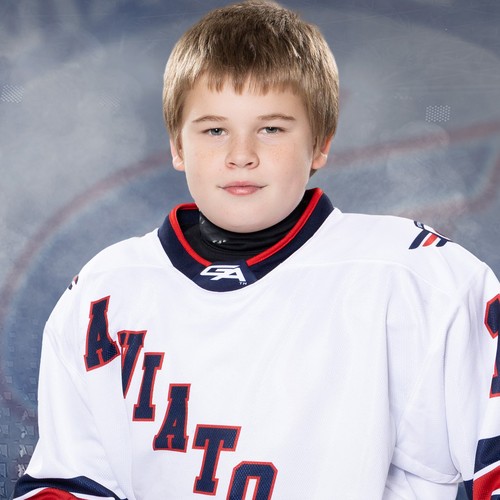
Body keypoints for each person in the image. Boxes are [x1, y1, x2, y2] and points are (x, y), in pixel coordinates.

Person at [13, 1, 500, 499]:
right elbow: (69, 483)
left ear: (320, 143)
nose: (240, 155)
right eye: (214, 130)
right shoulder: (104, 292)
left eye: (271, 129)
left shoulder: (419, 278)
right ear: (177, 146)